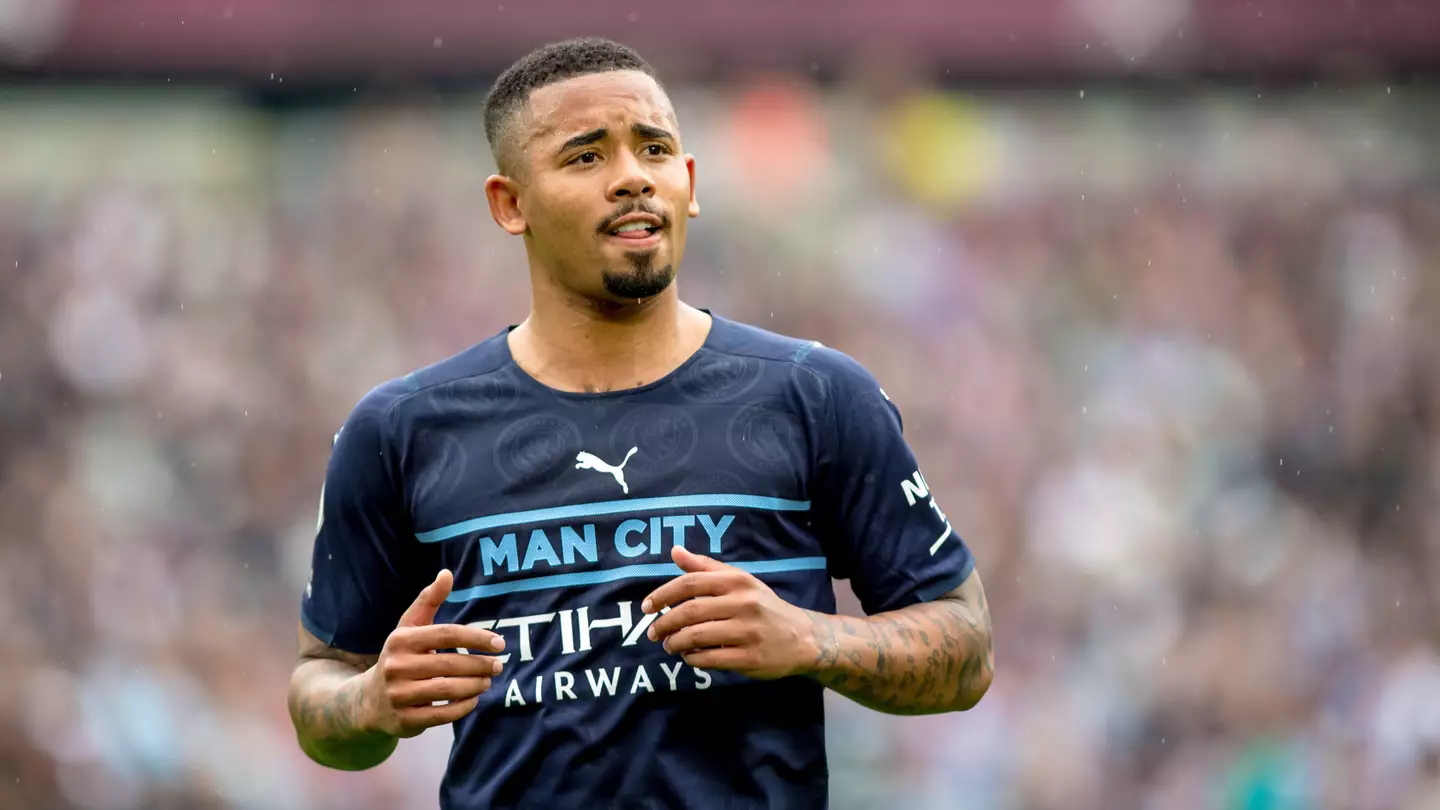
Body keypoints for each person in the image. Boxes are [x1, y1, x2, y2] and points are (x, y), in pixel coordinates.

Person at [286, 37, 994, 810]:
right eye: (586, 157)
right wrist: (369, 702)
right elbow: (321, 689)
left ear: (687, 182)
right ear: (510, 204)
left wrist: (810, 640)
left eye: (653, 149)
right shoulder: (401, 430)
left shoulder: (814, 396)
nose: (631, 177)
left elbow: (966, 651)